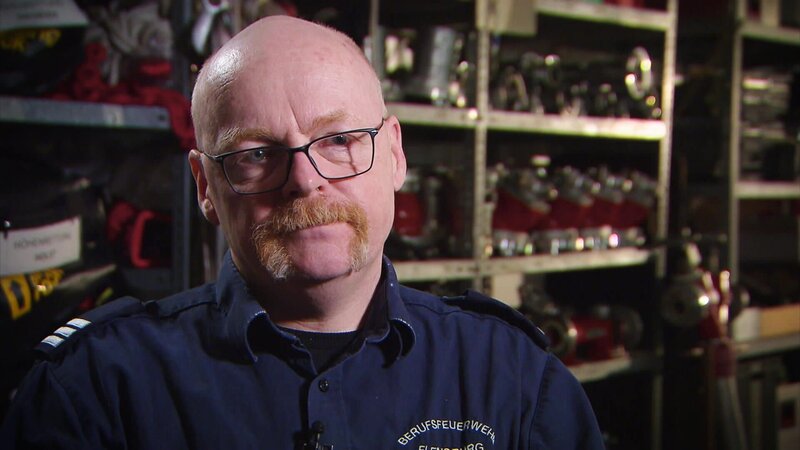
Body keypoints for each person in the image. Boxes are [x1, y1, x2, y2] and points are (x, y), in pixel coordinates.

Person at [1, 16, 604, 449]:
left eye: (339, 140)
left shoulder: (514, 378)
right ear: (205, 185)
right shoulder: (94, 390)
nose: (305, 181)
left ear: (395, 154)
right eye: (256, 154)